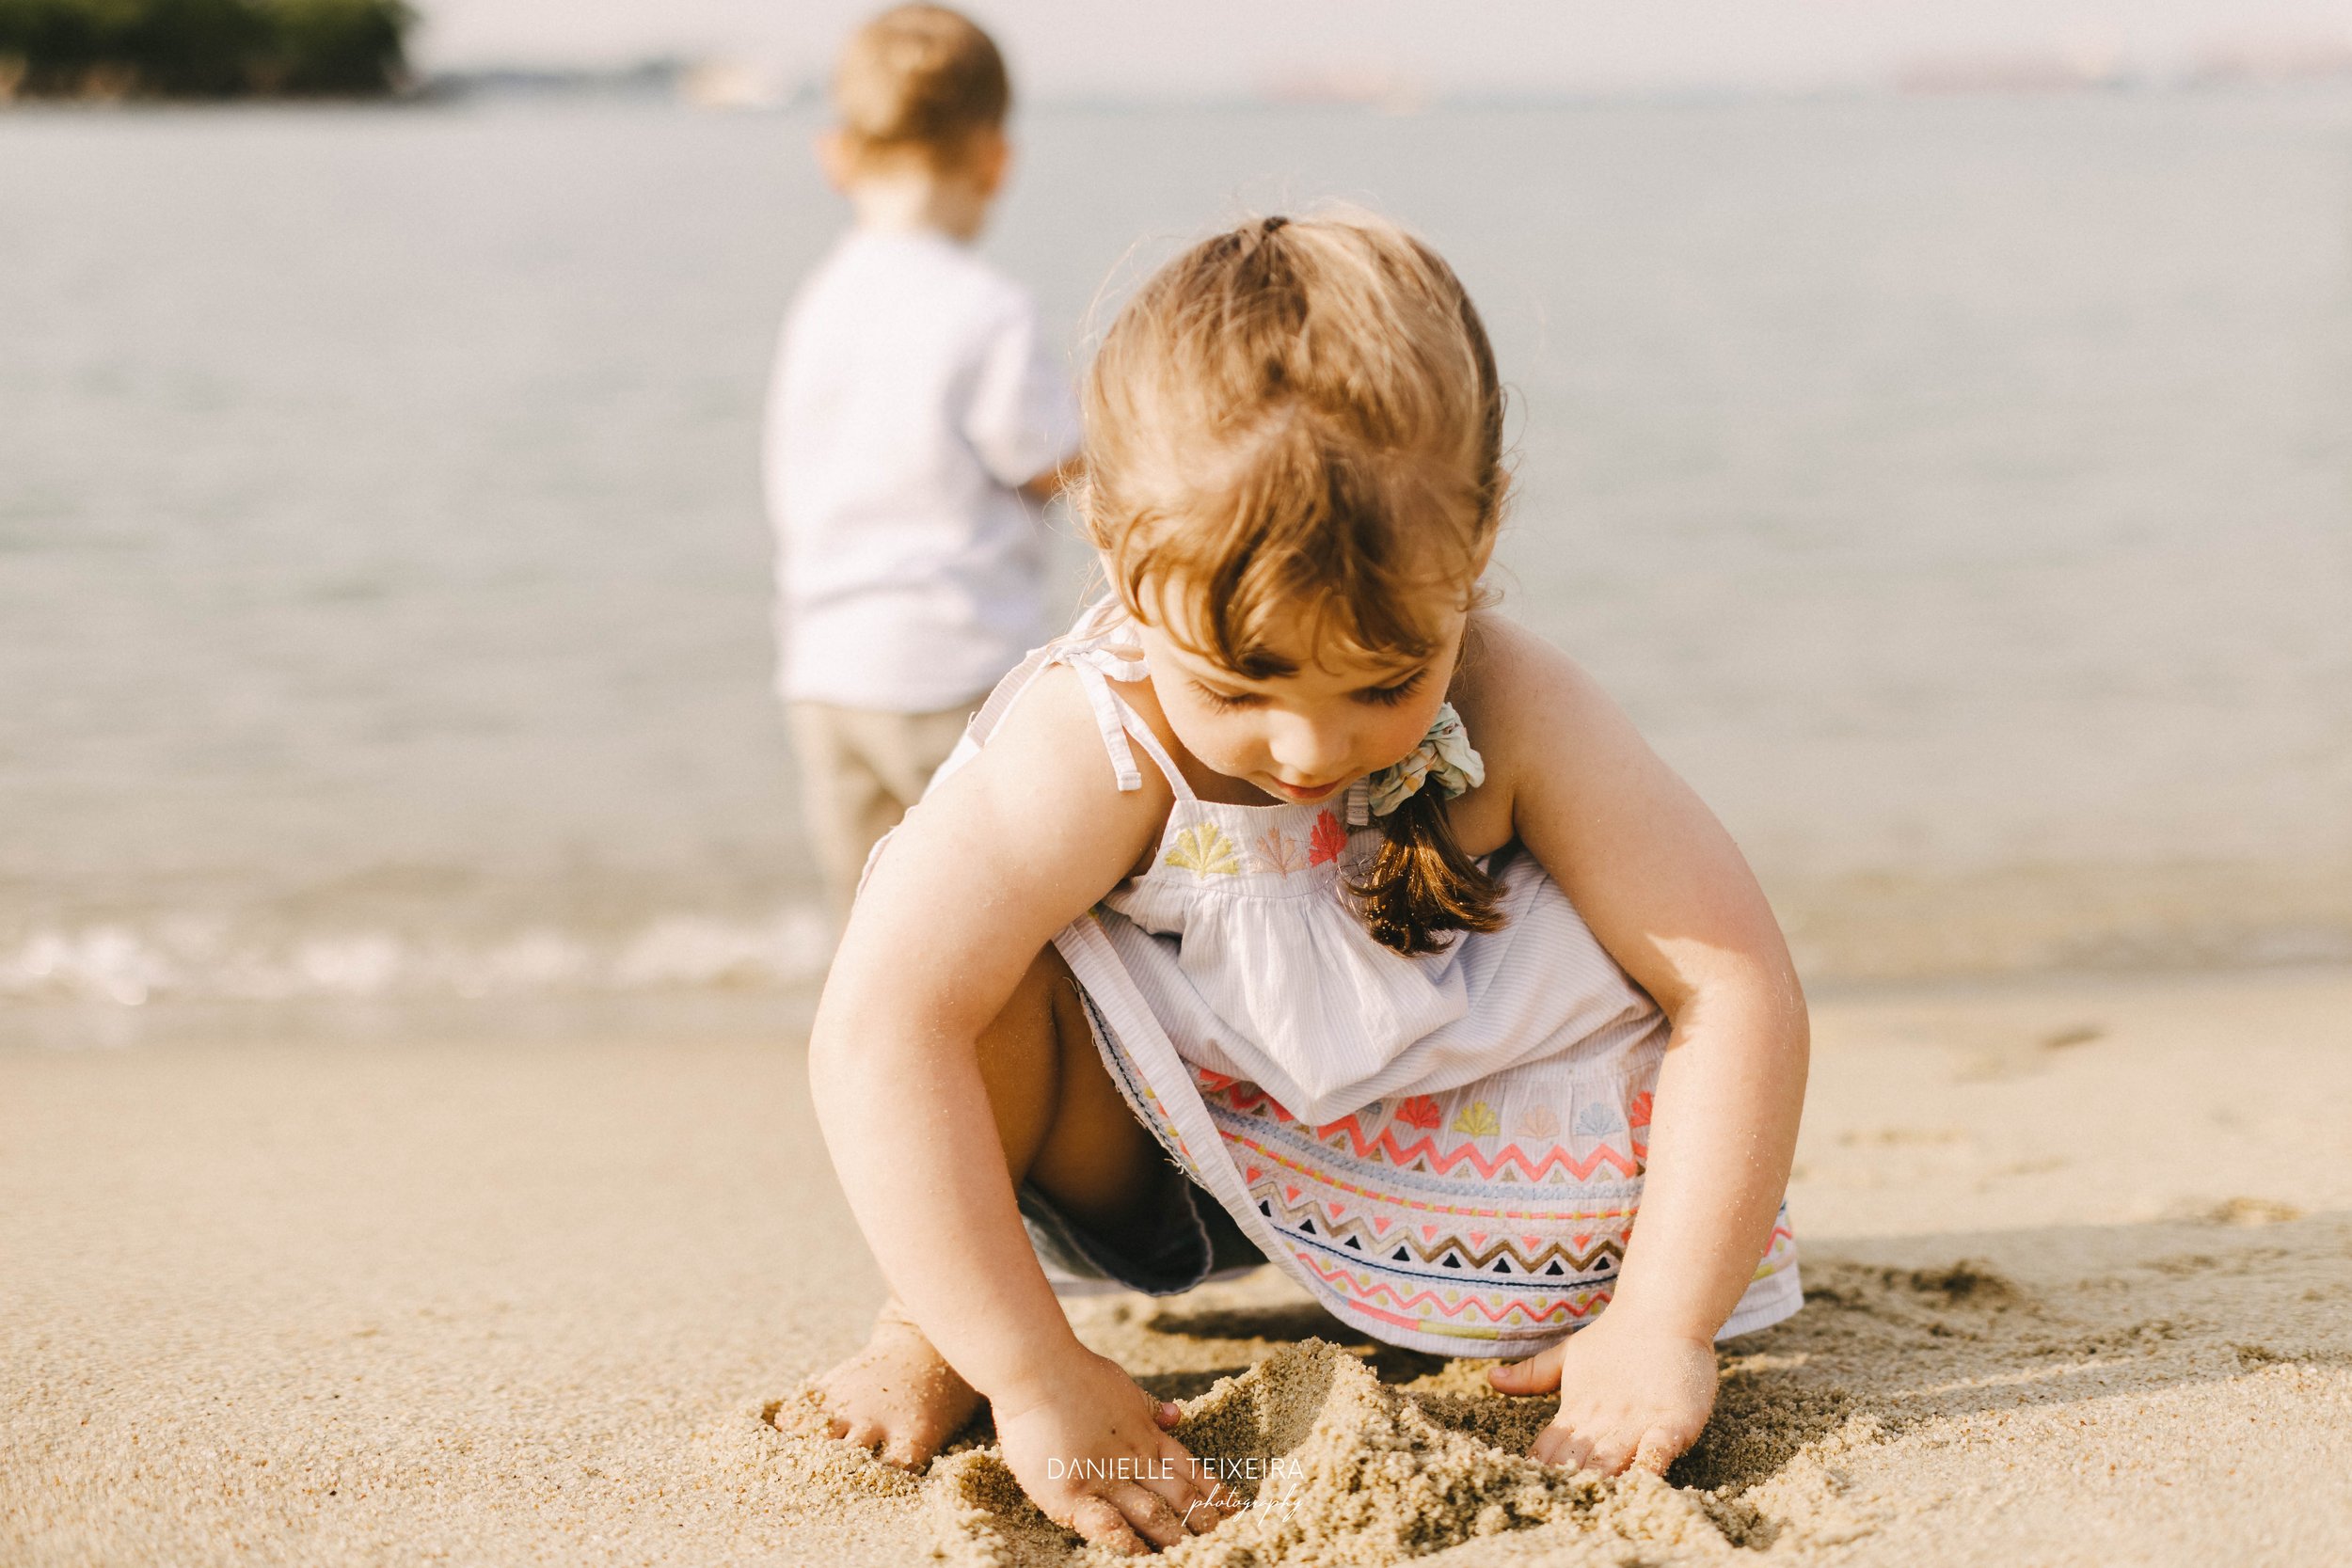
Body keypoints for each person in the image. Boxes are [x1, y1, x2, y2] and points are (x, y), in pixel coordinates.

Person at [804, 212, 1808, 1556]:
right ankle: (938, 1319)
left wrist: (1662, 1320)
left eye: (1388, 680)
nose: (1313, 747)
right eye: (1240, 683)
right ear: (1111, 547)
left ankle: (1473, 1280)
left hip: (1440, 1148)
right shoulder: (1093, 741)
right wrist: (1038, 1373)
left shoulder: (1520, 701)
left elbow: (1730, 980)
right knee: (960, 969)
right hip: (1151, 1149)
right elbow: (881, 1024)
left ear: (1483, 530)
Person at [765, 4, 1080, 916]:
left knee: (873, 927)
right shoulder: (984, 307)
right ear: (994, 159)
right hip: (951, 665)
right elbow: (1045, 460)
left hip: (824, 671)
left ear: (836, 155)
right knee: (996, 917)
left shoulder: (819, 302)